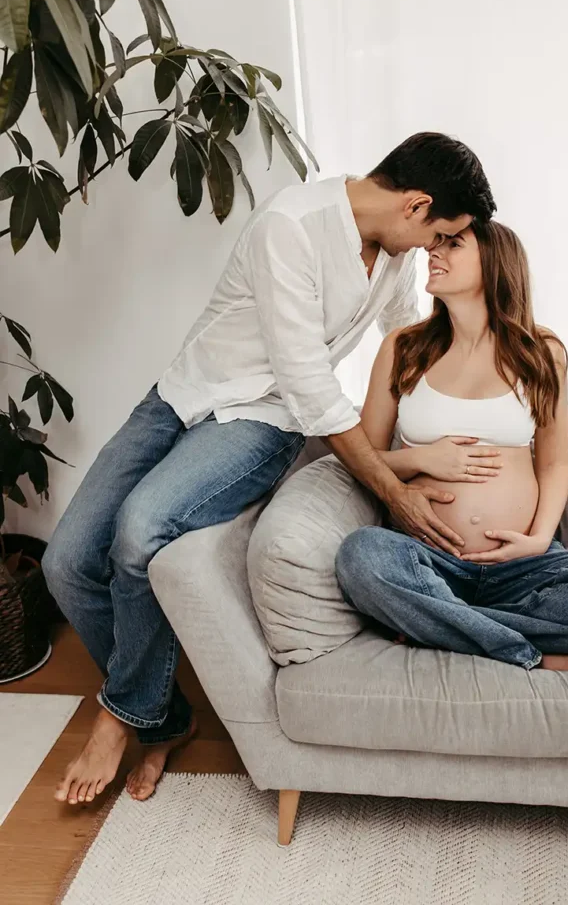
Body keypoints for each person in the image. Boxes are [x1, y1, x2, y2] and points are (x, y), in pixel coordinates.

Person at [42, 132, 496, 806]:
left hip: (266, 419)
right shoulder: (290, 226)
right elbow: (313, 384)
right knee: (66, 562)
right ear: (415, 205)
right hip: (187, 392)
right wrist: (394, 491)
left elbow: (403, 346)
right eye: (442, 234)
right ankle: (159, 715)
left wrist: (479, 375)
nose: (436, 251)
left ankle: (120, 717)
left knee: (139, 534)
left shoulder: (397, 255)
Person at [335, 220, 568, 671]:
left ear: (493, 264)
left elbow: (552, 464)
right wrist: (421, 458)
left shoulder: (542, 352)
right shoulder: (403, 348)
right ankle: (526, 653)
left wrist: (539, 539)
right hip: (428, 559)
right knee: (360, 557)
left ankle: (441, 624)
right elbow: (363, 459)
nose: (433, 253)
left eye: (452, 245)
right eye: (434, 245)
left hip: (522, 570)